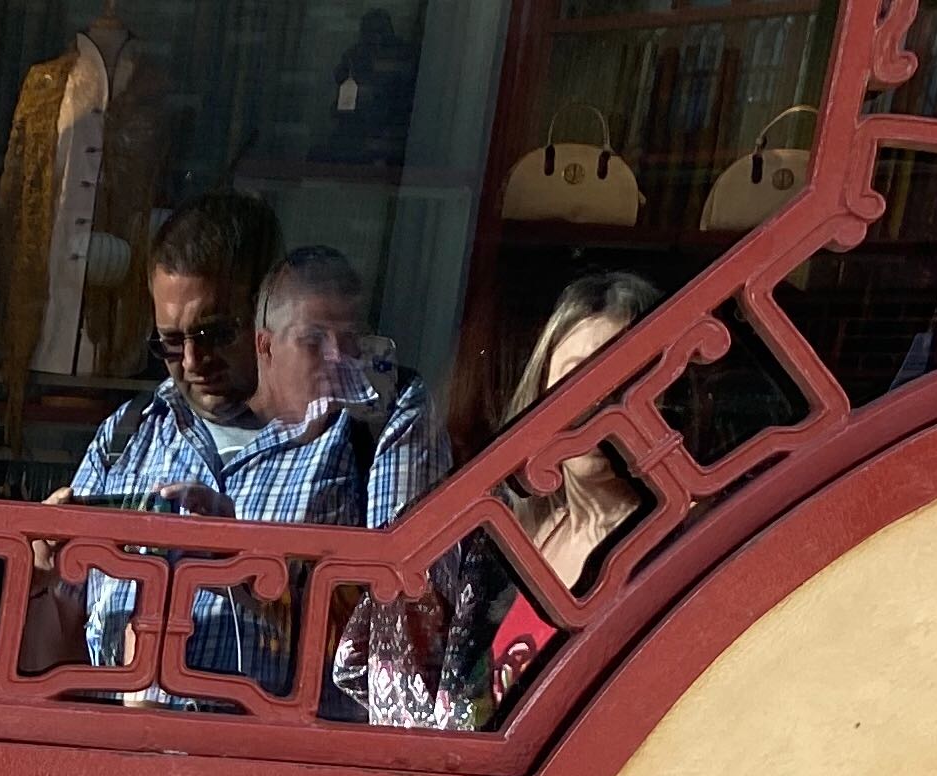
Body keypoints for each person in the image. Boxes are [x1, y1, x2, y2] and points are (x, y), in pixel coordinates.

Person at [55, 240, 450, 695]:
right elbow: (60, 633)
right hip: (119, 733)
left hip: (269, 736)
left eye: (213, 333)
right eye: (171, 342)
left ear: (256, 324)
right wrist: (42, 579)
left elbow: (403, 631)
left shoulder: (365, 422)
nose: (192, 360)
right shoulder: (131, 431)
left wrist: (244, 565)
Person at [432, 271, 661, 727]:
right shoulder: (524, 533)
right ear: (542, 393)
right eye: (576, 377)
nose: (597, 404)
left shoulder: (674, 544)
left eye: (623, 380)